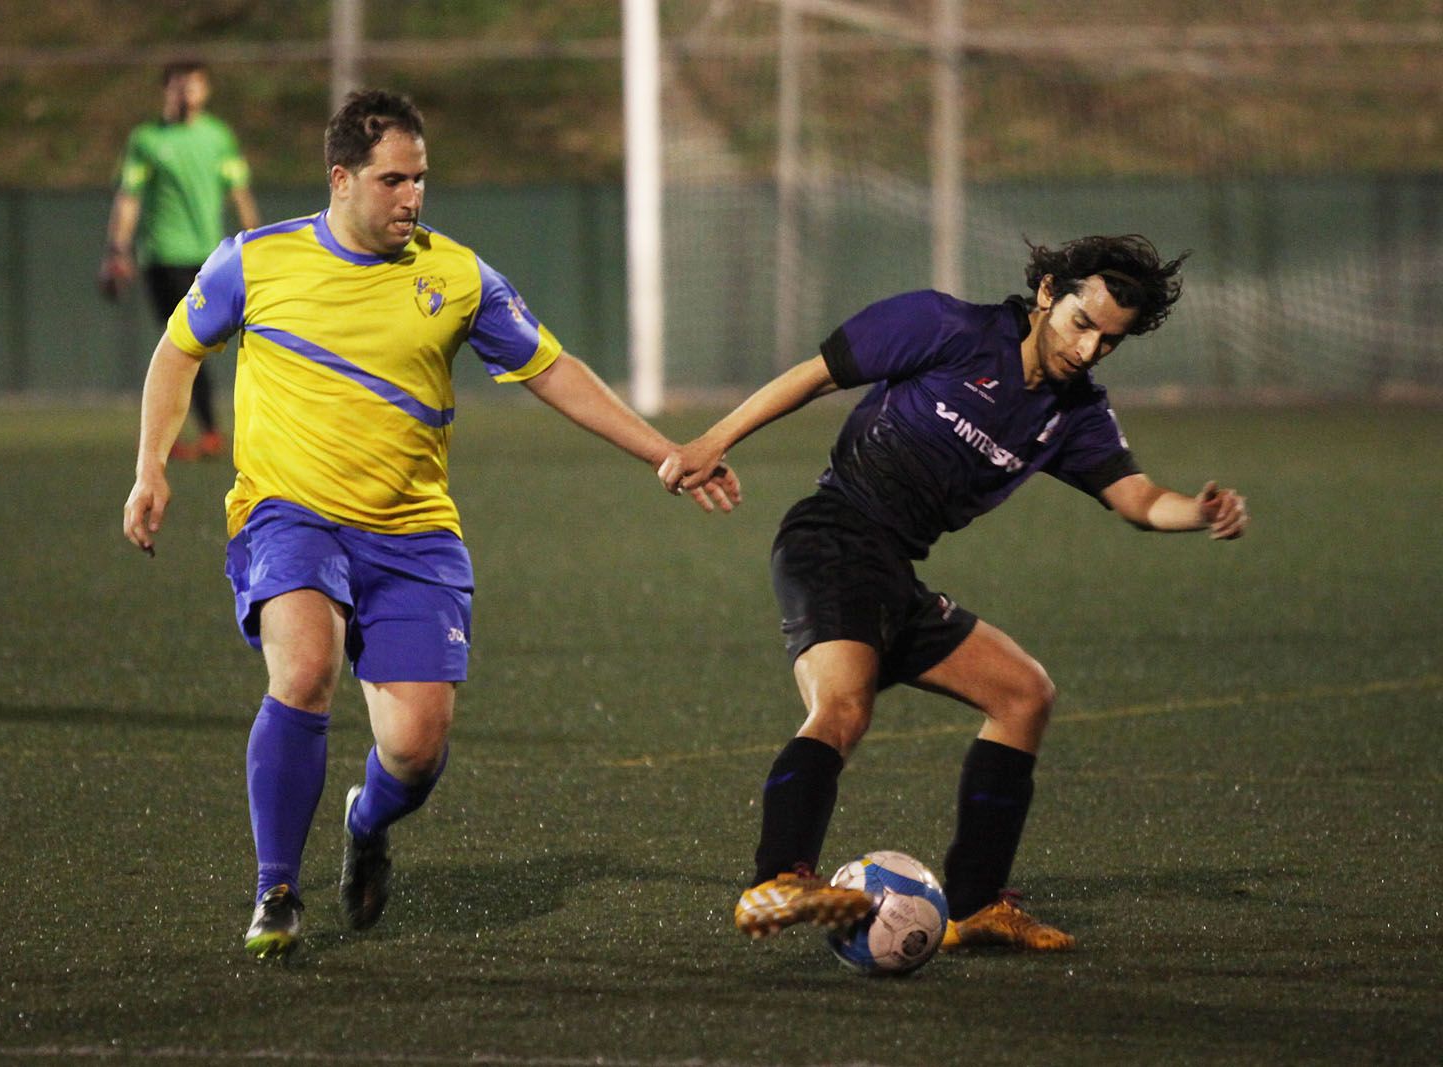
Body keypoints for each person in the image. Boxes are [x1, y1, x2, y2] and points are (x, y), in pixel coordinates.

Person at [121, 89, 740, 961]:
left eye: (420, 179)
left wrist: (664, 452)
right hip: (286, 513)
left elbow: (552, 369)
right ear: (340, 180)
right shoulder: (253, 261)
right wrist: (151, 464)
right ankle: (276, 888)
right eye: (391, 180)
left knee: (413, 749)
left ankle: (366, 821)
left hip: (412, 537)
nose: (412, 197)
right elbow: (179, 348)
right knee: (304, 668)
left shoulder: (456, 276)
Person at [658, 235, 1248, 951]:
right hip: (834, 535)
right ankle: (778, 878)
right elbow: (815, 375)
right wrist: (711, 441)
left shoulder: (1073, 413)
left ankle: (974, 905)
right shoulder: (945, 327)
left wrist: (1198, 510)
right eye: (1081, 324)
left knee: (1024, 693)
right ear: (1045, 295)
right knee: (843, 704)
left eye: (1109, 342)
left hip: (894, 571)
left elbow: (1137, 499)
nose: (1088, 349)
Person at [100, 59, 260, 461]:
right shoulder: (147, 140)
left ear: (205, 91)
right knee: (187, 343)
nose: (187, 92)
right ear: (166, 90)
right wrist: (117, 248)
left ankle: (219, 431)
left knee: (213, 343)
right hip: (164, 257)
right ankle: (207, 432)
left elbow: (238, 192)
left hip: (212, 256)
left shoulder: (218, 137)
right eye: (179, 85)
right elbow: (129, 196)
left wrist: (257, 241)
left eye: (195, 85)